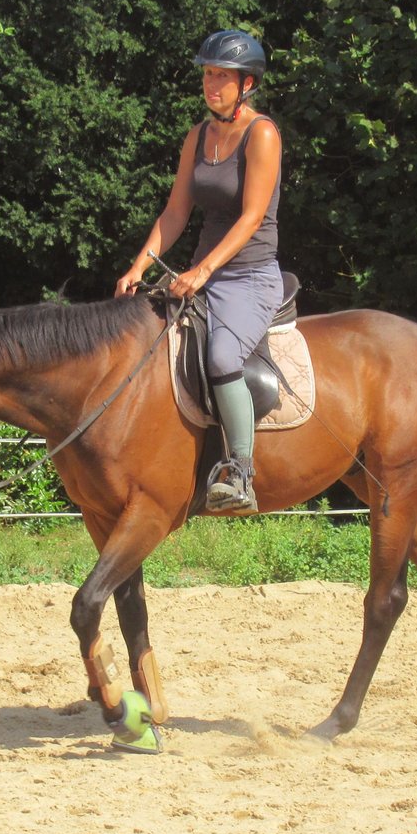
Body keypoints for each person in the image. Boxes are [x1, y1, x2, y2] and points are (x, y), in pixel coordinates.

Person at [115, 29, 283, 515]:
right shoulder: (198, 136)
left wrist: (203, 269)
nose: (212, 84)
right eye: (208, 74)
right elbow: (175, 214)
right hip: (201, 272)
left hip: (248, 276)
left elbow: (252, 217)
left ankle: (240, 471)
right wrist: (139, 264)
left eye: (222, 77)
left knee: (223, 354)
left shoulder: (263, 134)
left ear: (247, 83)